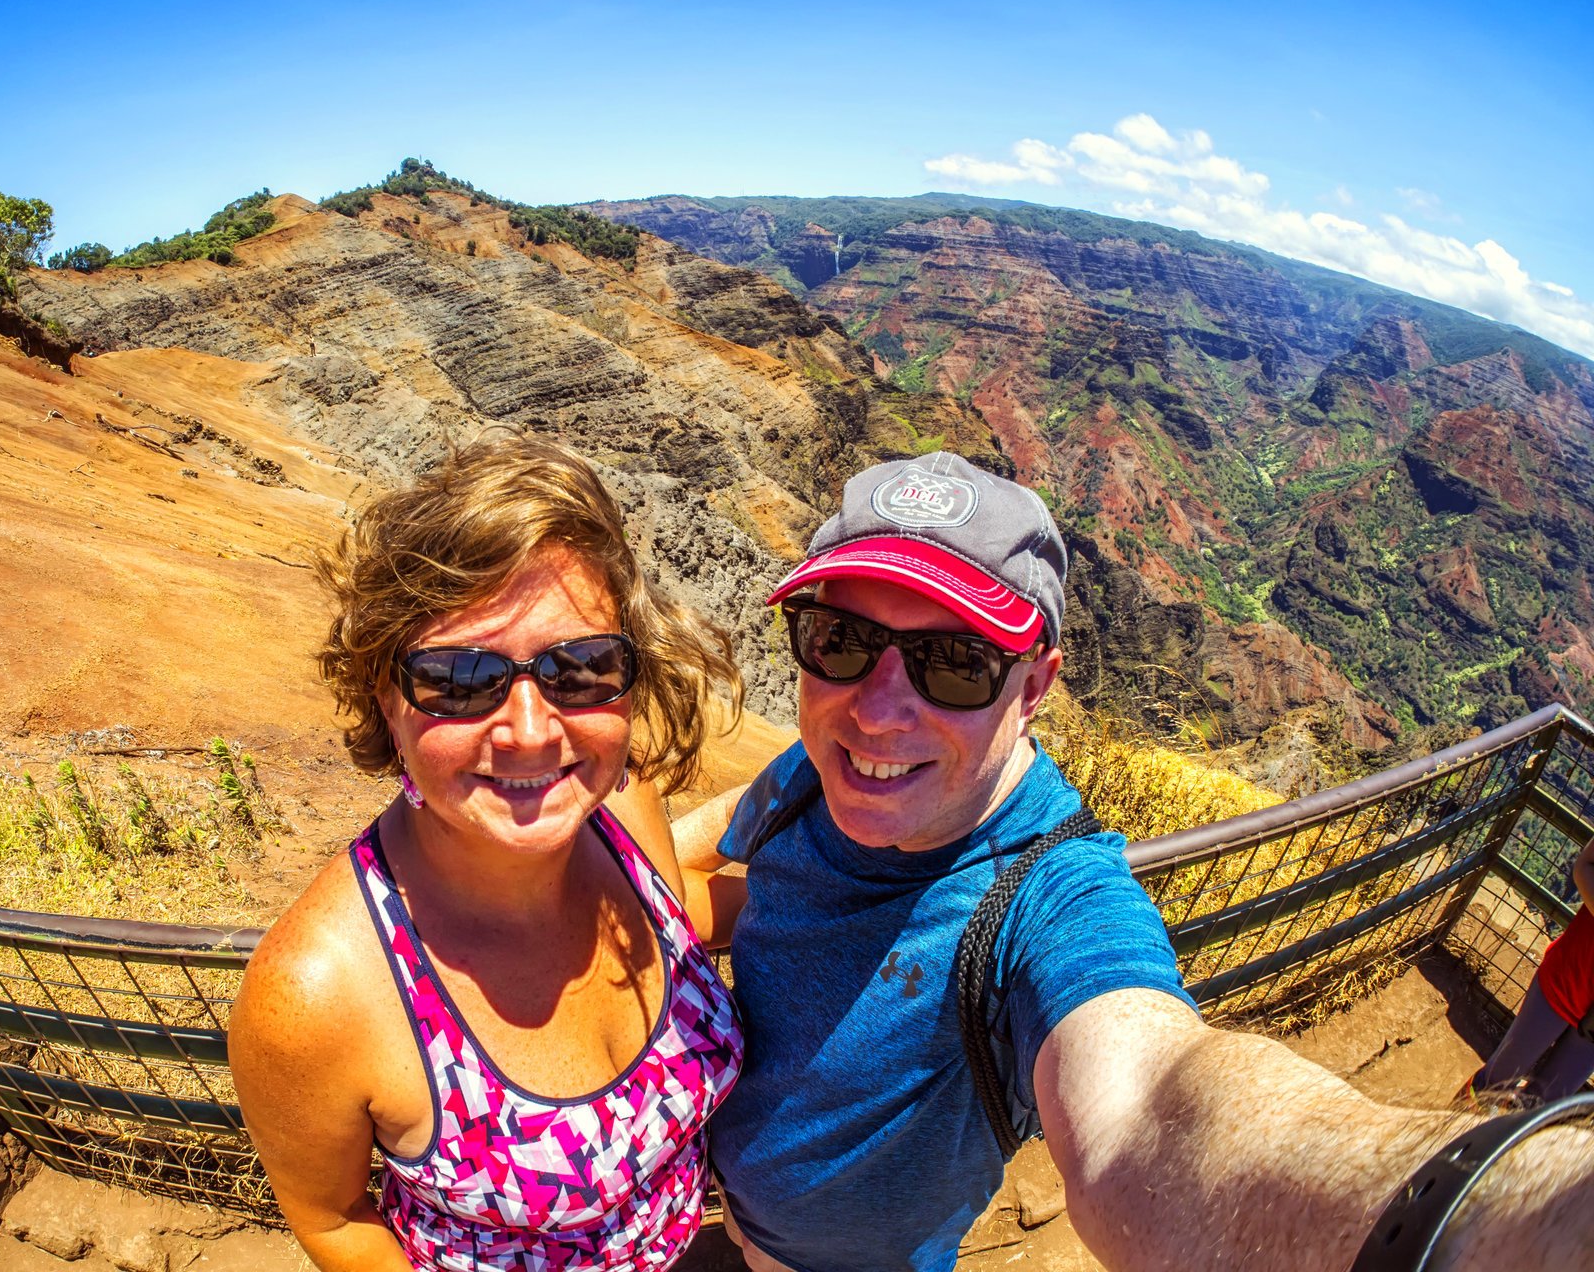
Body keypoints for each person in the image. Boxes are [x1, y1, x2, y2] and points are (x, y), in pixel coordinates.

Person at [673, 449, 1593, 1271]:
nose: (876, 711)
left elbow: (1153, 1109)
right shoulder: (816, 771)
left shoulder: (1048, 898)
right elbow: (729, 834)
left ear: (1035, 684)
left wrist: (1490, 1227)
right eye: (842, 642)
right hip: (724, 1214)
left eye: (954, 665)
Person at [229, 433, 746, 1272]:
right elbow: (331, 1220)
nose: (532, 732)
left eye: (579, 668)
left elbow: (679, 911)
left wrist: (866, 907)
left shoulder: (622, 794)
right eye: (461, 680)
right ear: (385, 699)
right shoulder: (316, 994)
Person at [1470, 836, 1594, 1101]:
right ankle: (1447, 1133)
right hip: (1569, 976)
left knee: (1541, 1107)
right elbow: (1585, 866)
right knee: (1495, 1083)